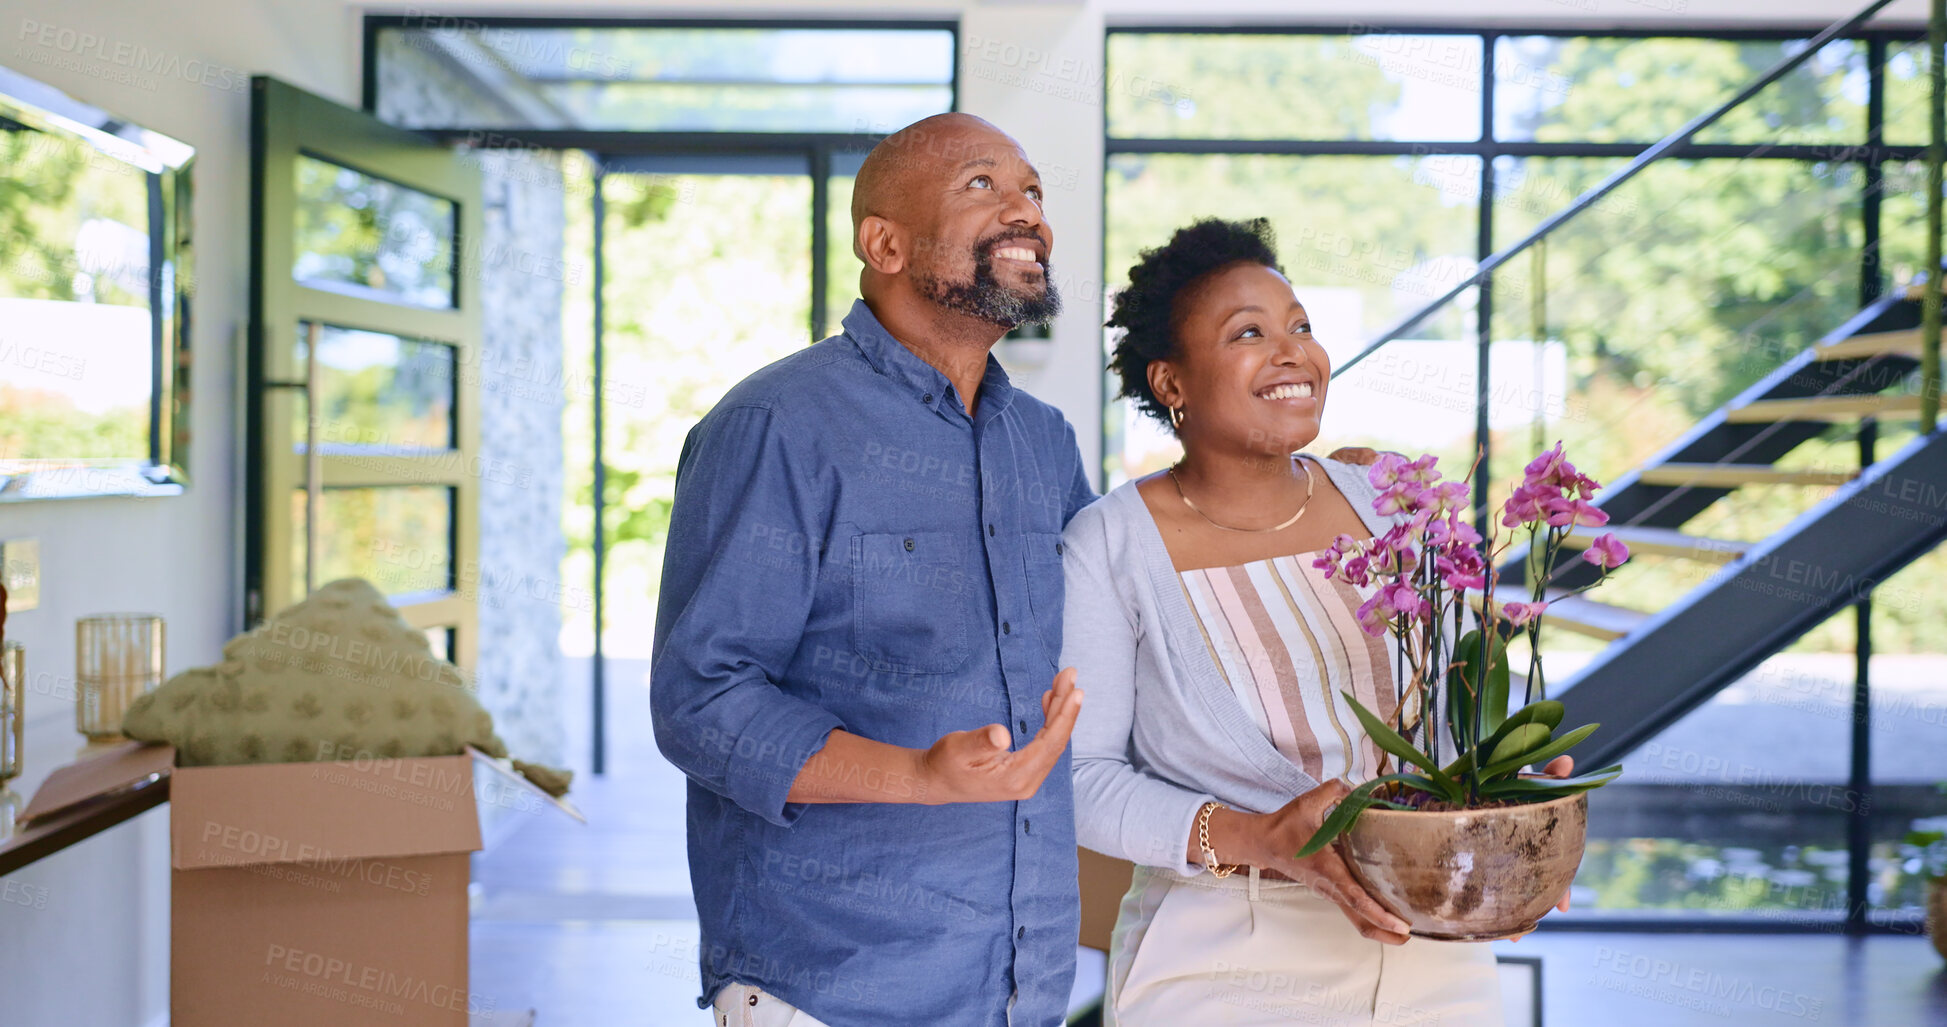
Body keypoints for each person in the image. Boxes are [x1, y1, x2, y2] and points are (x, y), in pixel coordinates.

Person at [1065, 218, 1573, 1026]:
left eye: (1300, 325)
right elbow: (1077, 777)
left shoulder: (1383, 503)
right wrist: (1253, 834)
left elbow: (1437, 723)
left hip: (1434, 948)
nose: (1292, 349)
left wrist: (1507, 807)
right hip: (1226, 958)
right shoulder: (1110, 543)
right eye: (1249, 332)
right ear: (1171, 383)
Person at [651, 113, 1093, 1027]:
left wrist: (1310, 490)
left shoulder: (1041, 443)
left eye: (1034, 192)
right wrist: (922, 773)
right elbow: (701, 702)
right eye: (983, 185)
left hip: (1024, 982)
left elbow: (1125, 613)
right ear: (882, 242)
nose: (1027, 212)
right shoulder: (777, 426)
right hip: (828, 986)